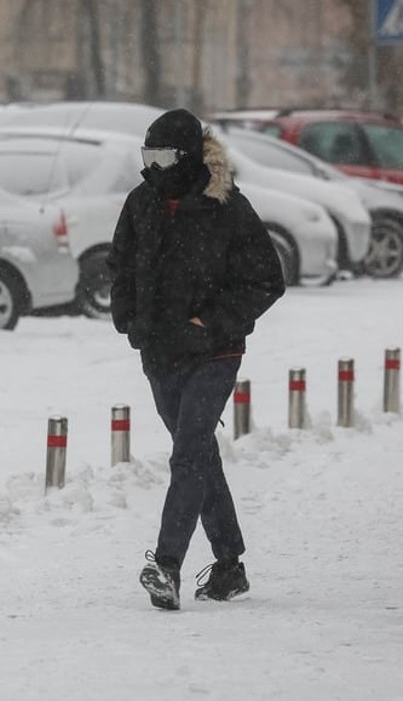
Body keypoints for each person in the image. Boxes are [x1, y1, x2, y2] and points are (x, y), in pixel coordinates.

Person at [107, 109, 286, 610]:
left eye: (163, 156)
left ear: (186, 158)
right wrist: (129, 319)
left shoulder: (225, 206)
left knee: (188, 452)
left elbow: (267, 280)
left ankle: (166, 566)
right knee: (200, 455)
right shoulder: (140, 203)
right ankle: (229, 566)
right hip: (159, 353)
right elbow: (119, 264)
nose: (153, 166)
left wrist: (213, 322)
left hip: (215, 352)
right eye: (148, 156)